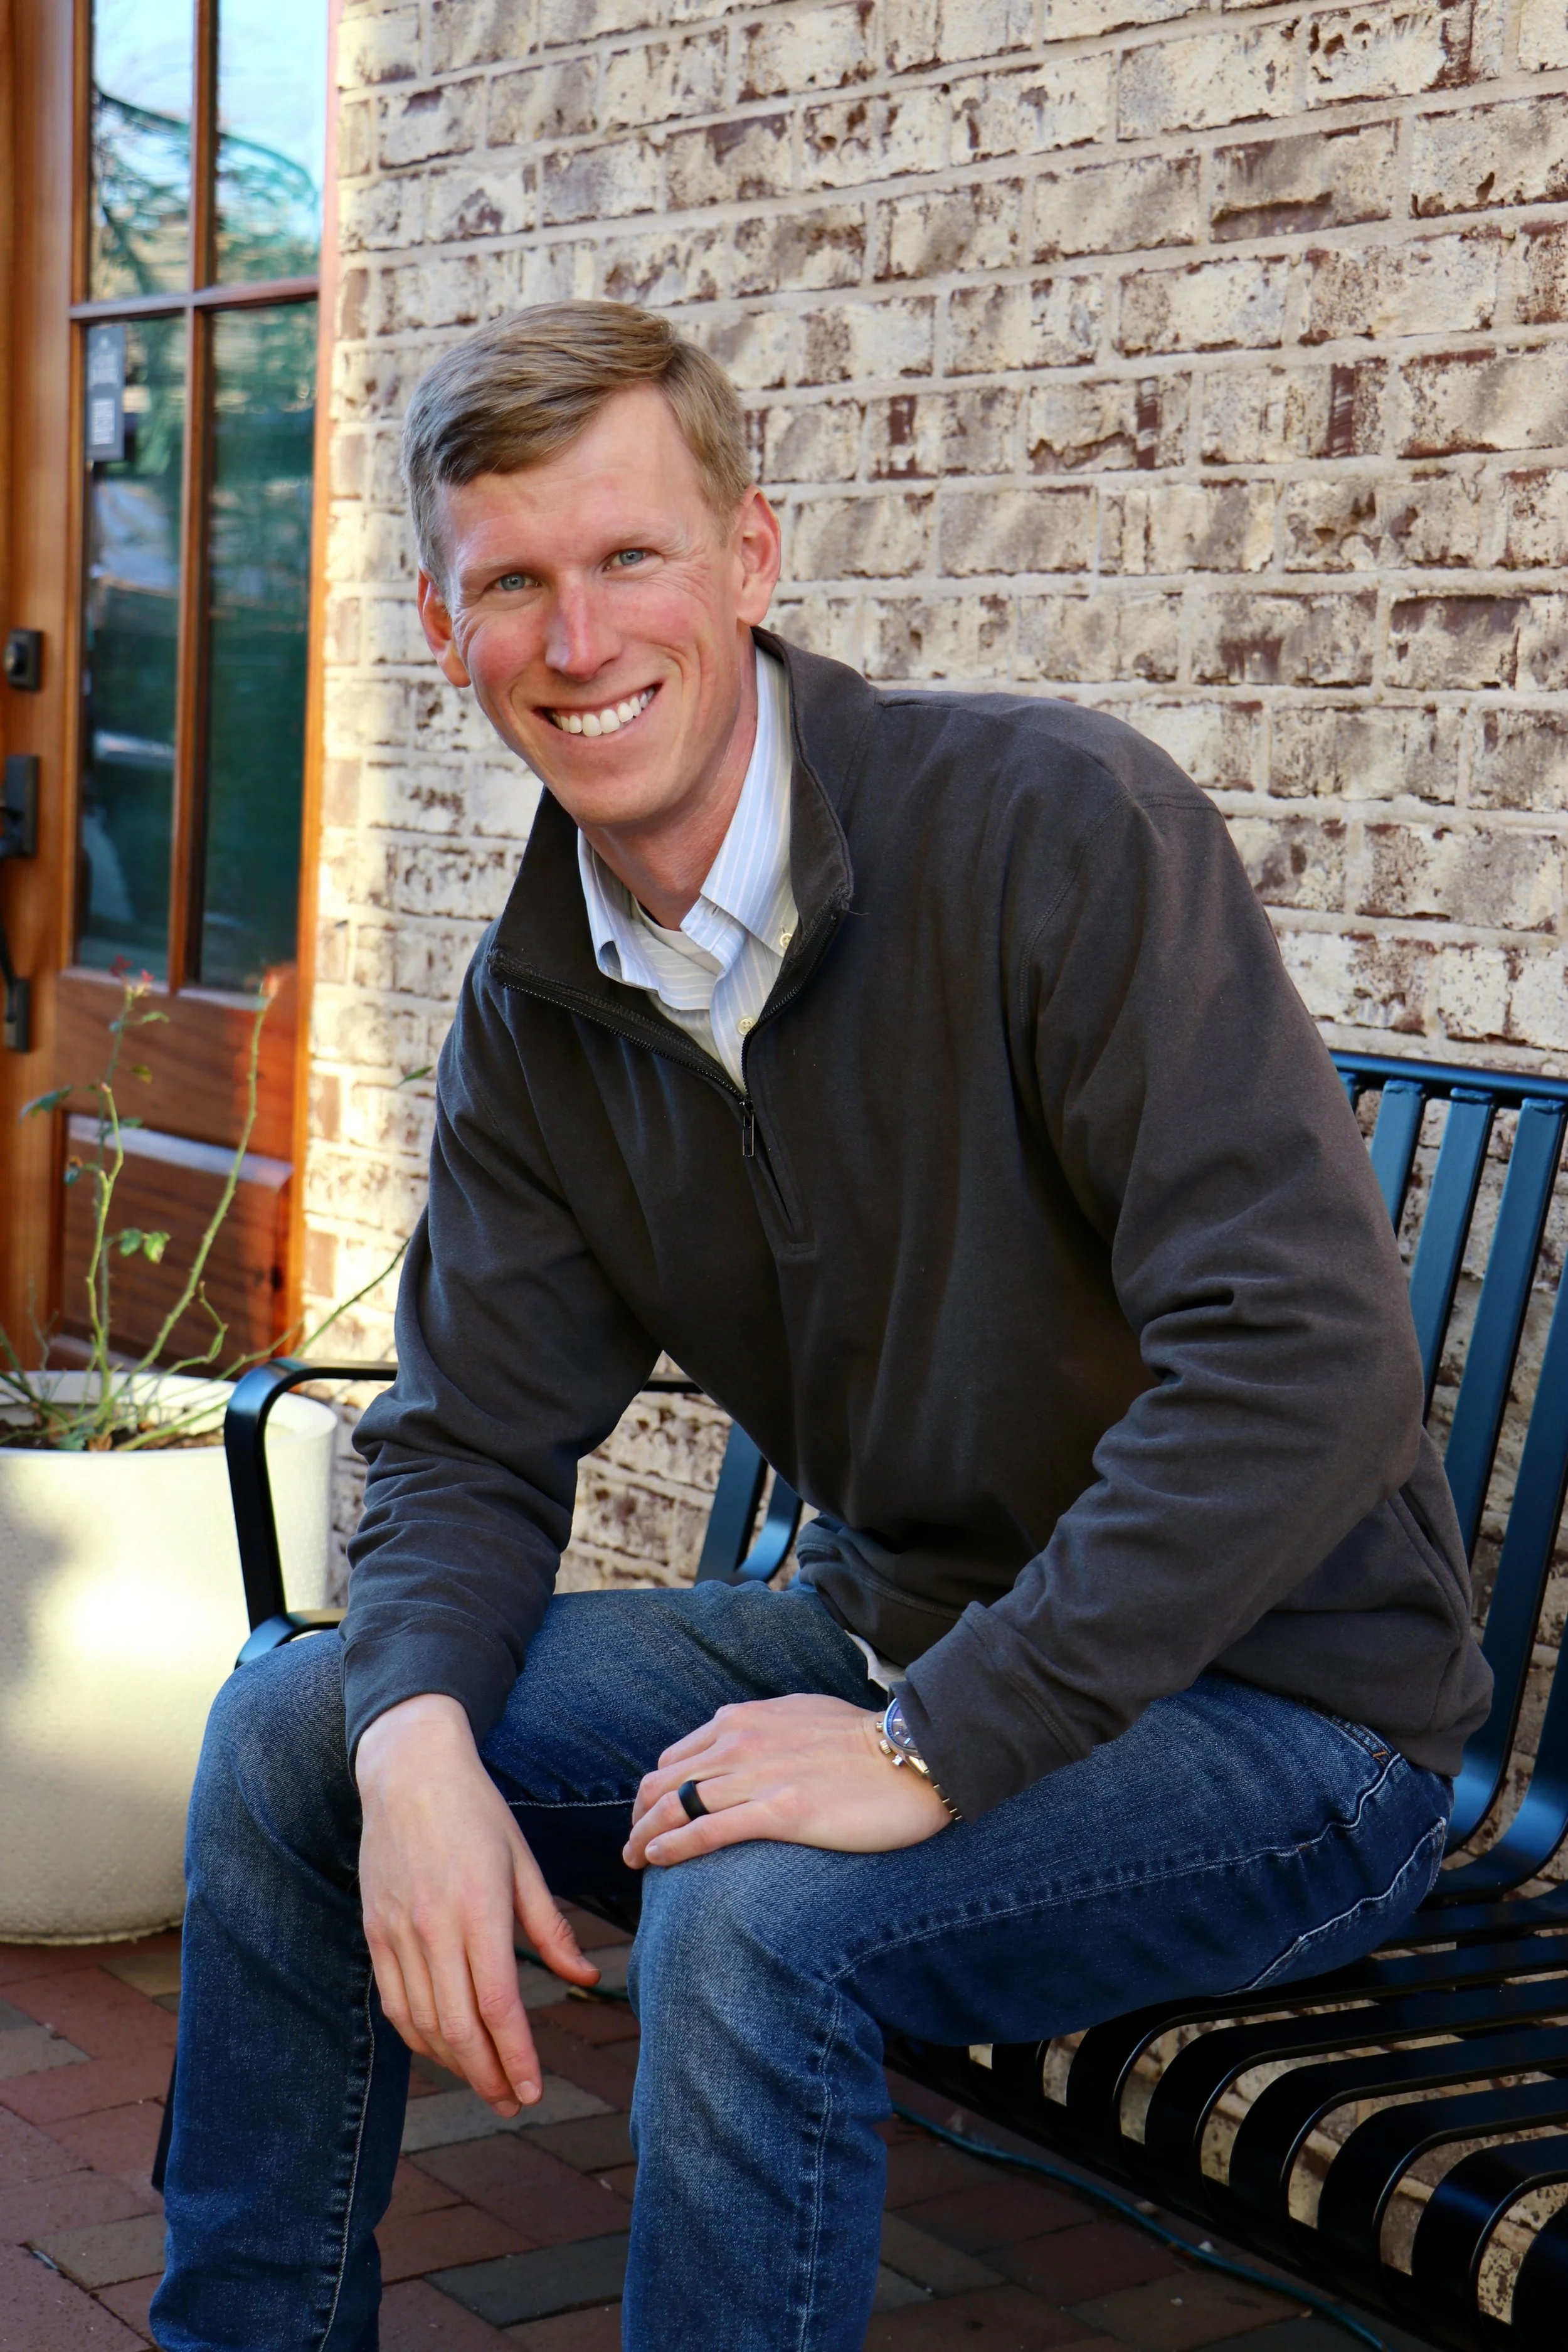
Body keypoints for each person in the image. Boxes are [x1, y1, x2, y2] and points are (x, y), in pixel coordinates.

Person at [152, 301, 1491, 2352]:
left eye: (628, 558)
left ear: (753, 558)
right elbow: (467, 1436)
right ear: (445, 629)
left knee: (758, 1902)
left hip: (1280, 1716)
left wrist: (927, 1741)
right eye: (511, 581)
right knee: (296, 1728)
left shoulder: (1052, 830)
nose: (579, 639)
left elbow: (1301, 1360)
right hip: (892, 1630)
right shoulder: (542, 997)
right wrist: (411, 1736)